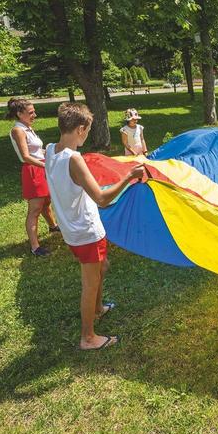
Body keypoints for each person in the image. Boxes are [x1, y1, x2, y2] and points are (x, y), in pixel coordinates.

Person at [45, 103, 145, 350]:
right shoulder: (74, 159)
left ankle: (98, 308)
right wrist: (129, 177)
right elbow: (102, 199)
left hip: (72, 229)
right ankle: (88, 337)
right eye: (87, 130)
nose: (87, 135)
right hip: (86, 231)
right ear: (80, 129)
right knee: (89, 284)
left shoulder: (50, 150)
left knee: (103, 266)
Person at [7, 97, 58, 256]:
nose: (34, 115)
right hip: (33, 169)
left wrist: (53, 153)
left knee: (46, 201)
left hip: (40, 166)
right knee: (35, 209)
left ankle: (53, 226)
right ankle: (35, 247)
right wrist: (46, 165)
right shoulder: (18, 130)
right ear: (19, 113)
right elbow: (26, 156)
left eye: (34, 111)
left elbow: (37, 151)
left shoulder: (28, 128)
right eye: (31, 112)